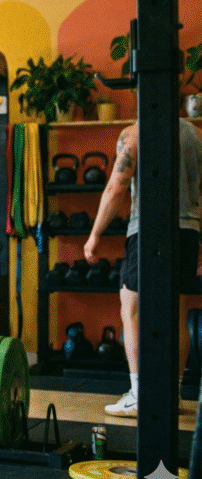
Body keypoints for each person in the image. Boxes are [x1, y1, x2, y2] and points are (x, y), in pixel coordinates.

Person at [84, 119, 202, 417]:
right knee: (178, 309)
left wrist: (95, 234)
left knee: (132, 308)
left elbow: (116, 186)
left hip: (149, 230)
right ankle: (172, 395)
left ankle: (139, 394)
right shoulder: (195, 135)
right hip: (188, 231)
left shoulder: (134, 133)